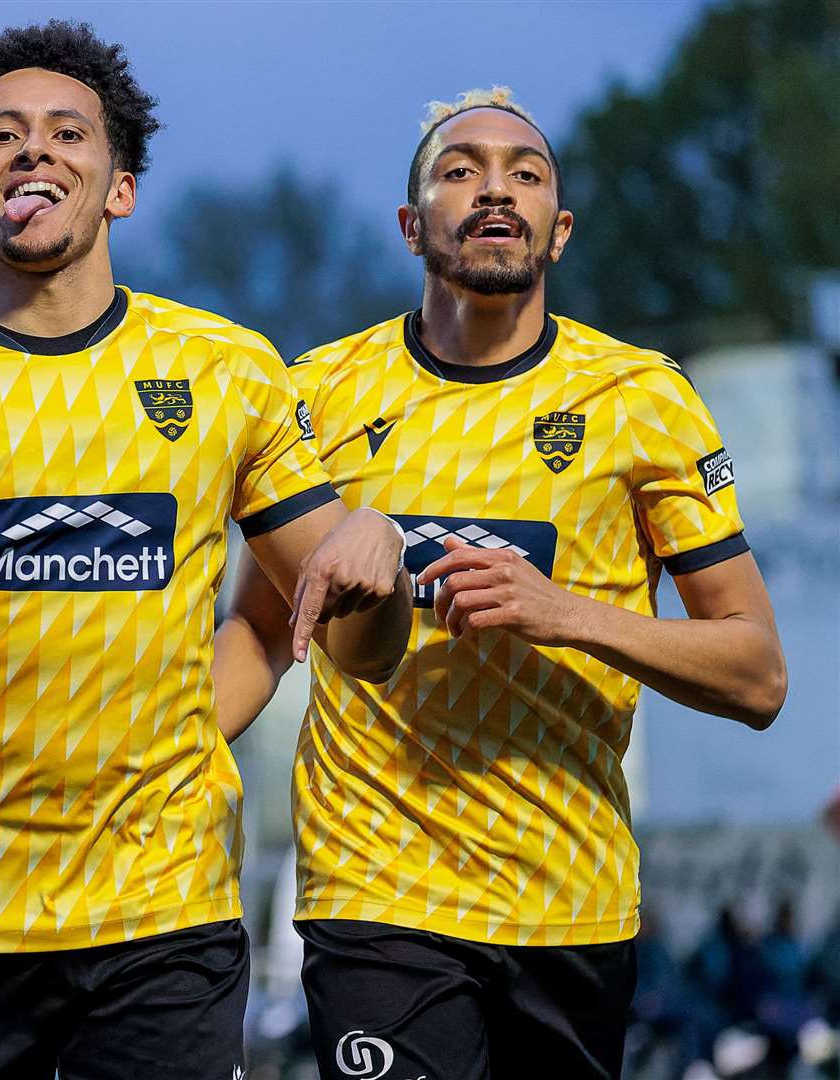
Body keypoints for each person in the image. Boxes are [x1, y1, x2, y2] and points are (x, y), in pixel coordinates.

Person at [0, 21, 411, 1080]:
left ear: (118, 187)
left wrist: (379, 547)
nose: (32, 152)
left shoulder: (224, 371)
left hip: (164, 920)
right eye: (1, 137)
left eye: (66, 133)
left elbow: (362, 650)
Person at [213, 87, 787, 1079]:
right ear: (409, 224)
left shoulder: (638, 401)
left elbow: (754, 676)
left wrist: (561, 612)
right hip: (374, 892)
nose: (493, 190)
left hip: (566, 899)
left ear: (556, 231)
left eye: (524, 175)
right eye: (459, 169)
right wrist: (161, 753)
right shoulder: (314, 397)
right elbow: (263, 632)